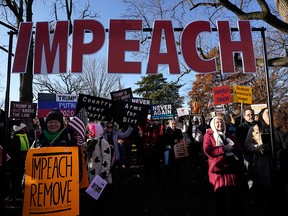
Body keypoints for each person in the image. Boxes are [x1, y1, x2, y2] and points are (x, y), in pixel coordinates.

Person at [244, 107, 287, 214]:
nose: (270, 114)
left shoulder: (279, 127)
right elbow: (247, 144)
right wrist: (258, 147)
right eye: (267, 113)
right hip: (264, 164)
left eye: (271, 113)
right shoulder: (256, 128)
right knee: (267, 191)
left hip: (279, 163)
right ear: (262, 115)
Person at [203, 115, 247, 216]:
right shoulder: (209, 135)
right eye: (217, 122)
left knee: (235, 198)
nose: (220, 124)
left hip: (232, 170)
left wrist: (233, 147)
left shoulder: (229, 134)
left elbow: (240, 148)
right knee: (220, 199)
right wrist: (223, 149)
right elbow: (207, 150)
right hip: (219, 171)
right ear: (213, 124)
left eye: (221, 122)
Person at [8, 123, 30, 201]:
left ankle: (18, 193)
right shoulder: (15, 138)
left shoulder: (24, 136)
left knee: (20, 177)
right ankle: (13, 195)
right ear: (20, 129)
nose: (26, 129)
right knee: (15, 179)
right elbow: (13, 151)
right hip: (16, 162)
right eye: (24, 128)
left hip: (22, 162)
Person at [163, 119, 185, 185]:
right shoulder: (167, 132)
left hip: (178, 150)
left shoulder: (178, 130)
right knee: (170, 166)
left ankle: (176, 180)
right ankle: (166, 177)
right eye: (172, 124)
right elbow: (166, 142)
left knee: (178, 166)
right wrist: (172, 143)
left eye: (174, 124)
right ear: (169, 125)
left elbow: (181, 139)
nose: (173, 125)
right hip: (171, 151)